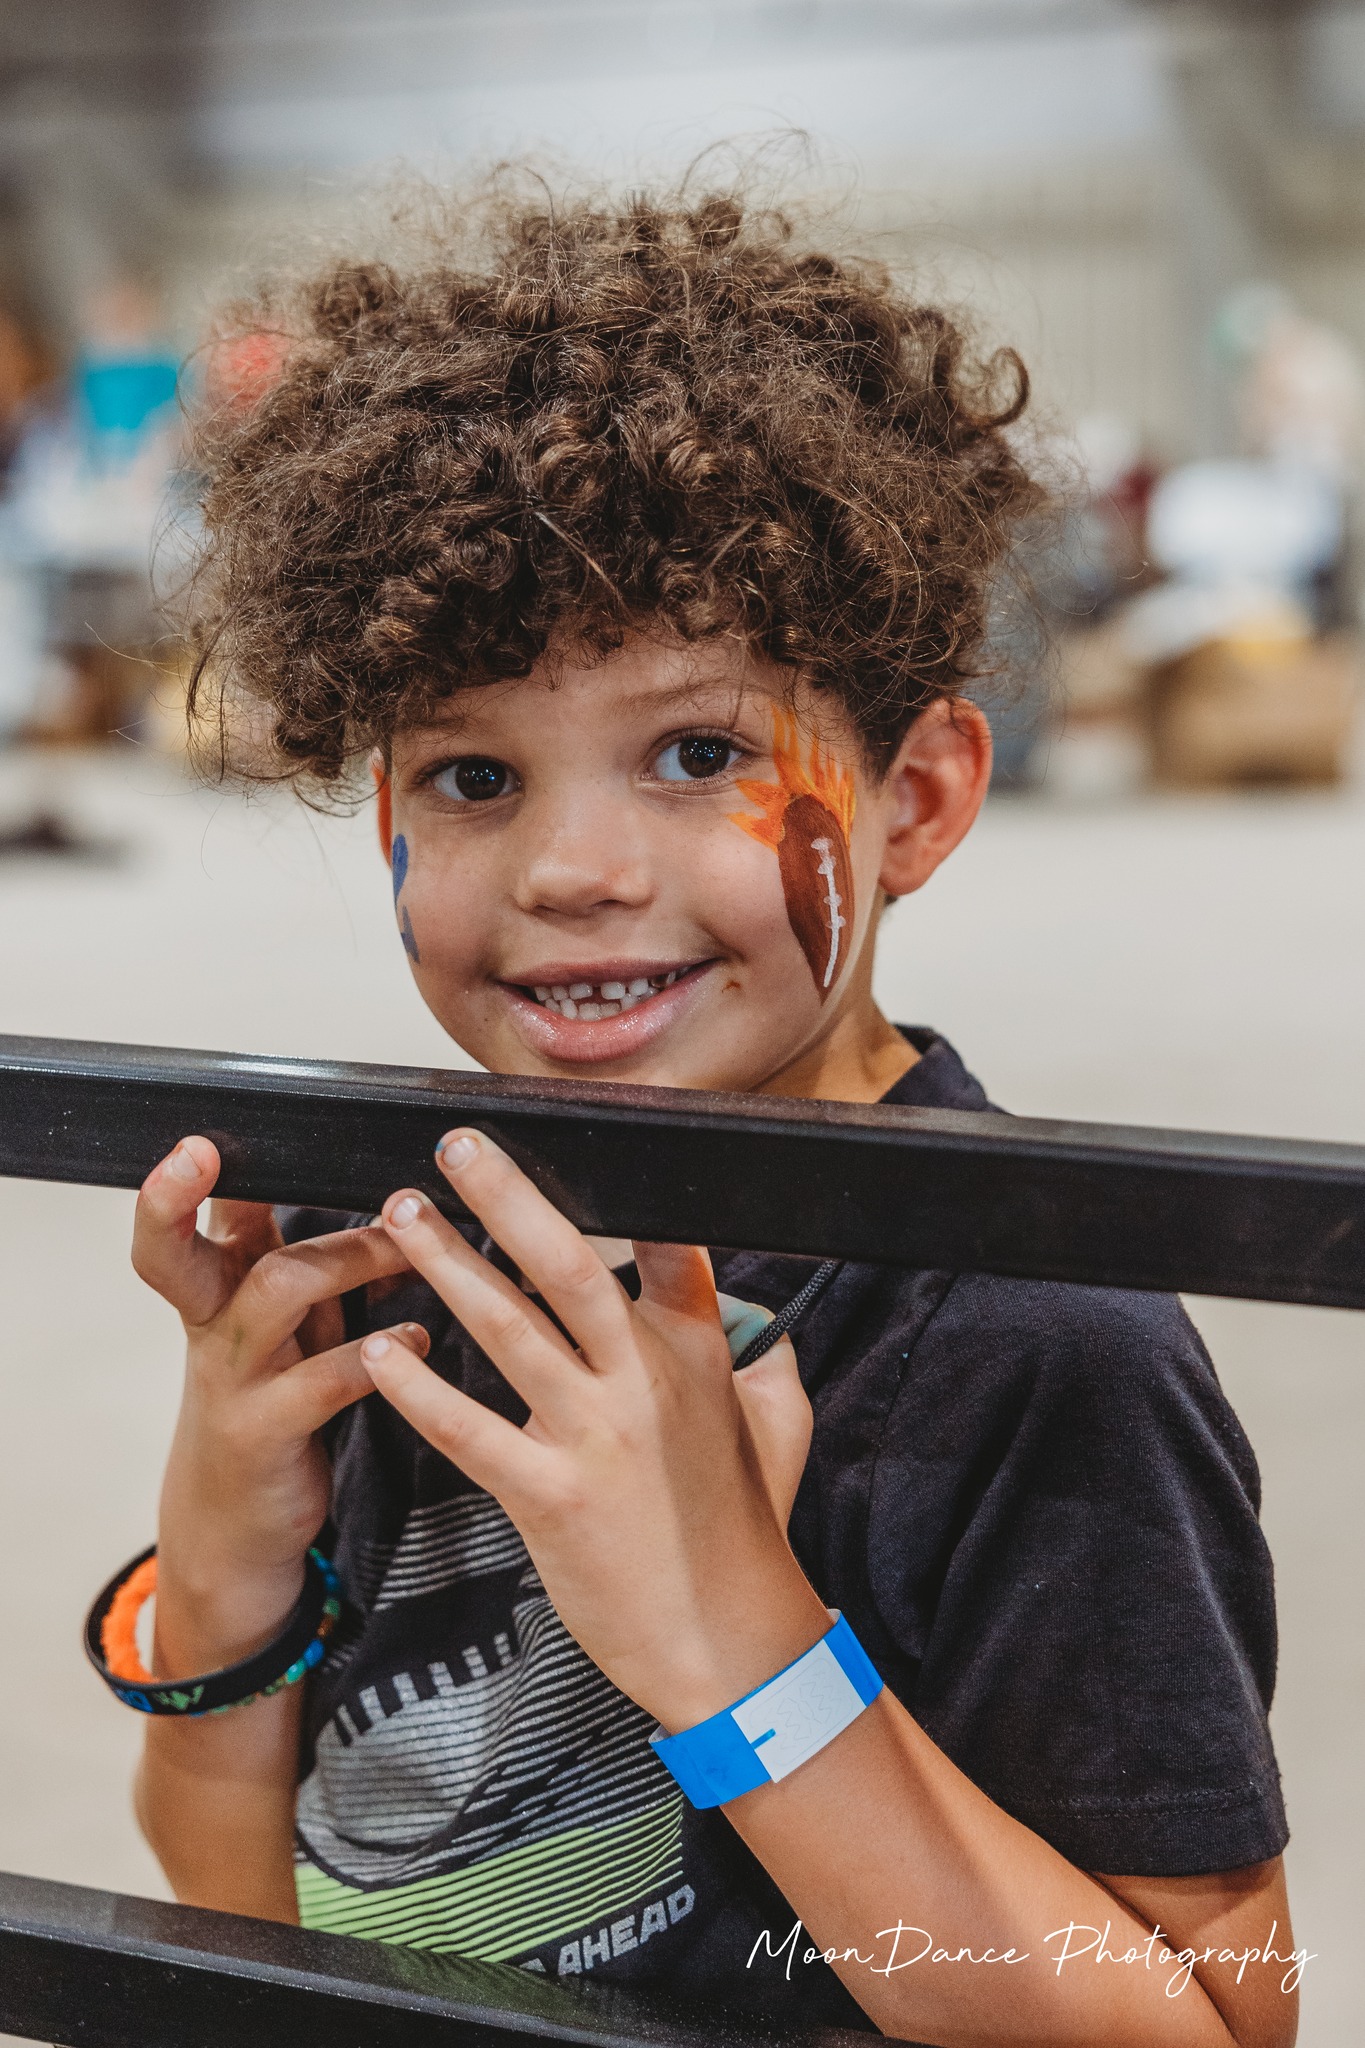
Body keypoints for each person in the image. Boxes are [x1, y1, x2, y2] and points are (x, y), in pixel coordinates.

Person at [113, 186, 1297, 2048]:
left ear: (911, 798)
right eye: (474, 773)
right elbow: (239, 1900)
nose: (574, 871)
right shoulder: (433, 1282)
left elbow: (1215, 2026)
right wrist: (227, 1551)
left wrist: (732, 1642)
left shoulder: (1030, 1343)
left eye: (698, 754)